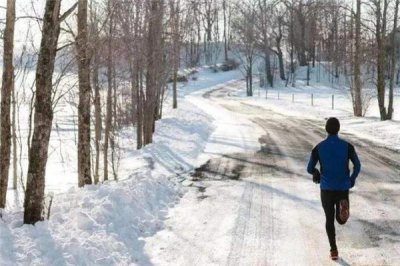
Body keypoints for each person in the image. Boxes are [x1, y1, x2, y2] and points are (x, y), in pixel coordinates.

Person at [307, 117, 361, 261]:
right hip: (343, 187)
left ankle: (333, 250)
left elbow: (309, 168)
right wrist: (352, 179)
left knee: (329, 219)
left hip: (326, 188)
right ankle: (342, 210)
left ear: (326, 129)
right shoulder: (347, 146)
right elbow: (358, 165)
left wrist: (316, 173)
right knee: (340, 220)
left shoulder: (318, 147)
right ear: (338, 129)